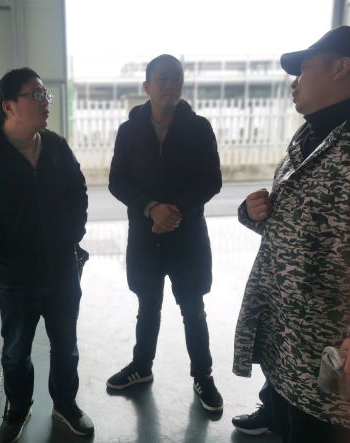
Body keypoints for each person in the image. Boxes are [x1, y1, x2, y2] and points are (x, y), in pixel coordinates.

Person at [233, 26, 350, 443]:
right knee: (288, 427)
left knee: (322, 434)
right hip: (289, 338)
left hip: (335, 347)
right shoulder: (309, 135)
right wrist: (253, 213)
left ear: (341, 68)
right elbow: (305, 222)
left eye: (304, 69)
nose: (295, 82)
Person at [0, 68, 93, 443]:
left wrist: (71, 238)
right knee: (17, 350)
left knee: (66, 346)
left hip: (62, 269)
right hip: (14, 276)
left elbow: (78, 193)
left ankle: (65, 405)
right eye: (35, 94)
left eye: (45, 93)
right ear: (8, 105)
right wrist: (6, 251)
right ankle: (18, 408)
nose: (45, 101)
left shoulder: (56, 146)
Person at [106, 54, 224, 413]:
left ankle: (203, 375)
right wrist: (150, 208)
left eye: (177, 78)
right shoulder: (129, 131)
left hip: (188, 237)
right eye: (163, 78)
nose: (171, 84)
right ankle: (141, 367)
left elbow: (211, 180)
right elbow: (117, 182)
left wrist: (175, 211)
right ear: (147, 86)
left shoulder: (199, 128)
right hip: (145, 237)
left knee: (193, 309)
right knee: (147, 307)